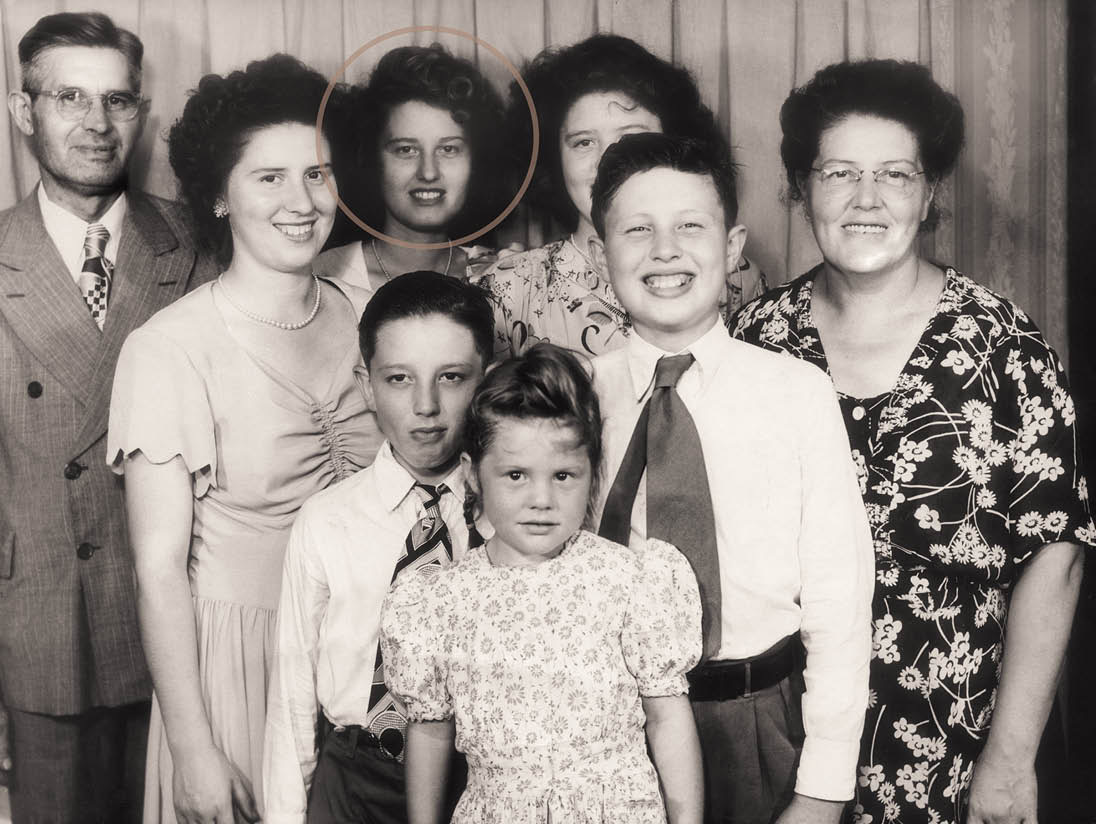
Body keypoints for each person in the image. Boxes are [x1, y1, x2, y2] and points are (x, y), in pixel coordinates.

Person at [731, 59, 1095, 824]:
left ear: (929, 196)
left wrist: (1009, 759)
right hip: (781, 744)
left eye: (895, 175)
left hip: (951, 747)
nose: (866, 199)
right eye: (839, 173)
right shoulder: (754, 340)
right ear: (801, 189)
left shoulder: (1004, 349)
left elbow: (1054, 557)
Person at [0, 12, 216, 822]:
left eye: (117, 100)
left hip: (182, 629)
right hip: (36, 638)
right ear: (23, 111)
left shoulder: (198, 244)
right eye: (70, 98)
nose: (97, 123)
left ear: (140, 113)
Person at [107, 54, 381, 824]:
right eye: (269, 178)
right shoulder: (169, 350)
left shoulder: (372, 317)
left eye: (318, 174)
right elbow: (158, 571)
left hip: (371, 661)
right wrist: (193, 749)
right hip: (239, 669)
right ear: (219, 197)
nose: (302, 201)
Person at [586, 132, 874, 823]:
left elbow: (838, 600)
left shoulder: (796, 393)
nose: (665, 251)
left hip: (755, 719)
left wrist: (822, 789)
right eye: (637, 230)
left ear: (734, 246)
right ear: (600, 255)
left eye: (691, 226)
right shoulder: (574, 398)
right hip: (604, 726)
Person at [381, 343, 706, 823]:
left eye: (564, 476)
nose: (542, 499)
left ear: (592, 471)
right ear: (474, 475)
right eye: (516, 475)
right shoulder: (440, 602)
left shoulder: (628, 580)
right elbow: (430, 730)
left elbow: (667, 718)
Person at [263, 271, 493, 823]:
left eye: (451, 377)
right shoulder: (328, 521)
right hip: (354, 778)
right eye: (398, 379)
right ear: (366, 386)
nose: (425, 405)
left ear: (487, 381)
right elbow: (292, 695)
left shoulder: (512, 522)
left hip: (479, 781)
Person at [473, 34, 766, 362]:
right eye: (584, 142)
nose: (606, 161)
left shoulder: (737, 276)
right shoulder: (509, 290)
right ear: (554, 159)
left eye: (631, 137)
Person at [315, 44, 506, 294]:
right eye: (406, 150)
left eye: (448, 149)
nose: (428, 173)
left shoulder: (503, 277)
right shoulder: (321, 277)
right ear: (372, 158)